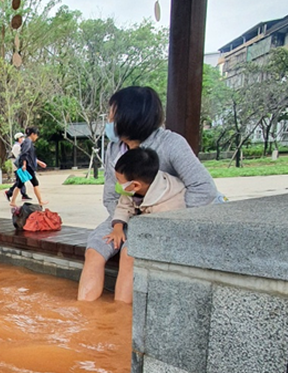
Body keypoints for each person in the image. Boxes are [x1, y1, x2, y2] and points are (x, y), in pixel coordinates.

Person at [77, 86, 218, 303]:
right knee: (94, 250)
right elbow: (110, 195)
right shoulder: (114, 149)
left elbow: (203, 188)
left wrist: (166, 217)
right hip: (123, 214)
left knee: (129, 253)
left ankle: (117, 316)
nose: (109, 119)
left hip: (162, 219)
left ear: (129, 116)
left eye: (112, 113)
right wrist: (120, 223)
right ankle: (85, 315)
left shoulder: (171, 144)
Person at [104, 148, 187, 303]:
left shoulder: (169, 203)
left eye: (120, 182)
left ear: (135, 185)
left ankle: (120, 306)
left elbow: (160, 231)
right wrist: (118, 227)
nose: (117, 185)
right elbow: (123, 207)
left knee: (128, 252)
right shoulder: (134, 188)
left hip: (165, 232)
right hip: (143, 223)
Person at [9, 126, 48, 207]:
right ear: (33, 134)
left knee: (20, 184)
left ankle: (12, 201)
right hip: (27, 166)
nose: (37, 137)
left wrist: (39, 162)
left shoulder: (27, 142)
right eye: (36, 135)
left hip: (27, 166)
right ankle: (40, 201)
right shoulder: (28, 142)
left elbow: (31, 156)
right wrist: (24, 165)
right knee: (35, 183)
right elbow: (24, 154)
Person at [5, 132, 30, 201]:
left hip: (20, 166)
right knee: (20, 181)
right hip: (17, 167)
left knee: (21, 180)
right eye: (22, 137)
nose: (23, 139)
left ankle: (23, 194)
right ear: (19, 139)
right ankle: (10, 192)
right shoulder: (16, 146)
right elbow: (19, 157)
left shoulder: (20, 146)